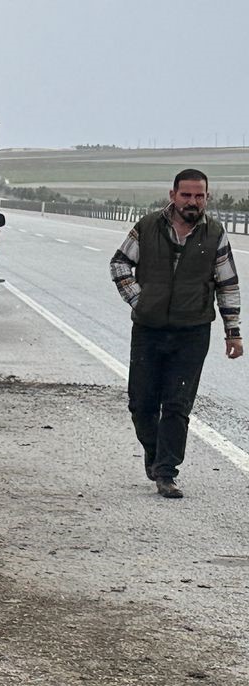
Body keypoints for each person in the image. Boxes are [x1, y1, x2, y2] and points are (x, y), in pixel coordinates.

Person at [108, 169, 243, 497]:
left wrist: (233, 332)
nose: (192, 202)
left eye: (199, 196)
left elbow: (227, 284)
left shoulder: (215, 234)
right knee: (141, 404)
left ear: (207, 198)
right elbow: (119, 263)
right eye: (186, 195)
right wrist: (140, 300)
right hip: (149, 330)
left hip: (192, 332)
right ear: (173, 196)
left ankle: (167, 472)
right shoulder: (148, 226)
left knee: (177, 405)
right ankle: (155, 453)